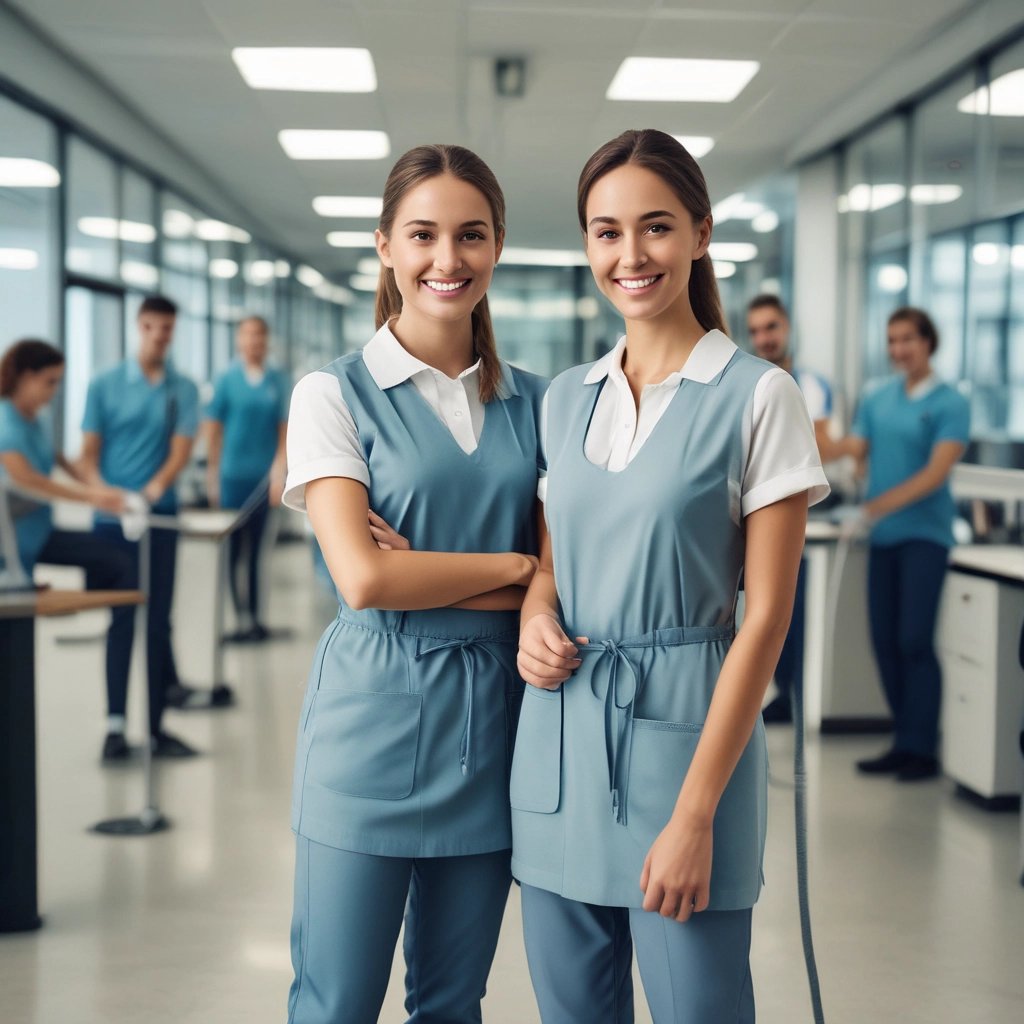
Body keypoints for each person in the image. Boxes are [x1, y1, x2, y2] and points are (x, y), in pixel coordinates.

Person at [511, 129, 829, 1023]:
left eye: (654, 228)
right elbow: (552, 559)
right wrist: (538, 610)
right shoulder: (566, 396)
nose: (630, 254)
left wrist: (694, 817)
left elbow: (764, 620)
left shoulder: (759, 395)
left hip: (690, 753)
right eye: (605, 232)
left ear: (699, 232)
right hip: (559, 747)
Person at [282, 144, 545, 1023]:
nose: (448, 259)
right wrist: (520, 569)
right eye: (423, 234)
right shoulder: (334, 395)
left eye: (471, 235)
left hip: (495, 737)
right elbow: (361, 580)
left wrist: (422, 573)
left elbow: (573, 587)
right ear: (385, 246)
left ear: (498, 245)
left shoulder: (544, 405)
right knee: (337, 1002)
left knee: (451, 1004)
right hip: (370, 731)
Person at [820, 307, 969, 782]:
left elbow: (935, 474)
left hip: (925, 537)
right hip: (880, 539)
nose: (898, 348)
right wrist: (813, 430)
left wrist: (873, 508)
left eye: (907, 338)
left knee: (913, 641)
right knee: (883, 641)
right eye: (892, 340)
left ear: (929, 342)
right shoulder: (877, 397)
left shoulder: (950, 403)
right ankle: (902, 740)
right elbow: (856, 450)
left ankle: (921, 748)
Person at [0, 344, 142, 763]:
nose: (54, 391)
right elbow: (29, 482)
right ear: (24, 376)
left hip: (37, 540)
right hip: (14, 552)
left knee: (120, 564)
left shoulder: (35, 419)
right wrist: (93, 500)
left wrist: (108, 490)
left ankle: (115, 721)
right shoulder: (5, 422)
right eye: (49, 382)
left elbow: (63, 464)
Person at [79, 295, 204, 760]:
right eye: (152, 327)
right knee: (120, 621)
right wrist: (109, 496)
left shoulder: (183, 389)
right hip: (112, 526)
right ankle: (114, 728)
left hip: (159, 518)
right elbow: (87, 457)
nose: (160, 335)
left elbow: (179, 451)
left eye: (168, 329)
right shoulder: (105, 385)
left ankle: (154, 730)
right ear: (140, 326)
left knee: (157, 625)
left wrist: (149, 493)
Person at [747, 293, 834, 724]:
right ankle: (781, 693)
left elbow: (819, 447)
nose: (764, 338)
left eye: (772, 328)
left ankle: (797, 696)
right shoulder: (747, 381)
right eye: (756, 331)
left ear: (787, 328)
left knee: (788, 615)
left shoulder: (809, 385)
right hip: (755, 517)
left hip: (797, 514)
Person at [204, 315, 288, 642]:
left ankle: (254, 619)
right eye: (248, 336)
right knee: (232, 553)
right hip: (231, 479)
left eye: (259, 336)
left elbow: (285, 431)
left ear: (266, 341)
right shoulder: (226, 379)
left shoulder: (277, 380)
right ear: (239, 340)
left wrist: (279, 472)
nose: (254, 342)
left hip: (263, 481)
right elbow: (213, 432)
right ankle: (237, 619)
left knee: (255, 554)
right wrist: (212, 478)